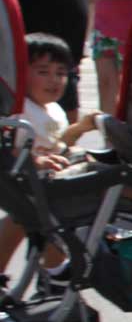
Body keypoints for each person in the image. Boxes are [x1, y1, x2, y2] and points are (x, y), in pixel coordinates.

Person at [0, 33, 104, 279]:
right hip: (24, 185)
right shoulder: (20, 110)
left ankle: (54, 271)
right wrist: (35, 161)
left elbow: (57, 146)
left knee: (43, 226)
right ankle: (54, 270)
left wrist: (78, 129)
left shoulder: (53, 110)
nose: (54, 80)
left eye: (61, 73)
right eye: (43, 72)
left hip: (44, 186)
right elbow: (9, 149)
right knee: (26, 220)